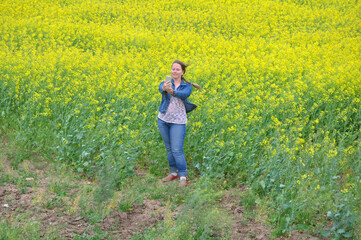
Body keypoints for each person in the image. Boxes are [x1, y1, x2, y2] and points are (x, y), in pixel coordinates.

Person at [157, 60, 201, 187]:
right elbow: (160, 88)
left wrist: (173, 92)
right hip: (163, 119)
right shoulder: (166, 82)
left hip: (178, 121)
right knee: (169, 149)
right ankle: (173, 173)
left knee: (177, 150)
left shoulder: (186, 86)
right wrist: (165, 88)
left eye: (177, 69)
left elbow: (184, 94)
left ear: (182, 72)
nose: (174, 71)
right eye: (173, 69)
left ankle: (183, 176)